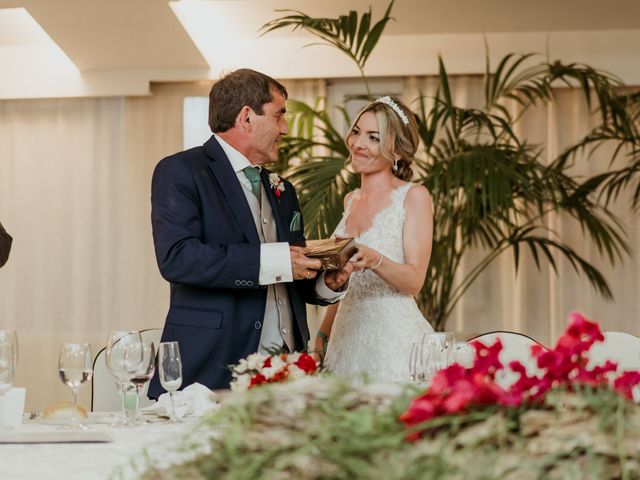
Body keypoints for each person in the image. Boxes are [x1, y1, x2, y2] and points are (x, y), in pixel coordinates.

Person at [148, 69, 353, 397]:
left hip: (287, 370)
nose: (285, 129)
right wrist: (275, 260)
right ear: (246, 117)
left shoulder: (282, 189)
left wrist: (325, 285)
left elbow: (291, 272)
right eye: (279, 115)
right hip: (211, 365)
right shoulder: (182, 171)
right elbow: (178, 258)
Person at [314, 96, 434, 382]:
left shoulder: (414, 197)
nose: (358, 144)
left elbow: (414, 281)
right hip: (345, 338)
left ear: (398, 151)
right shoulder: (349, 200)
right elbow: (341, 282)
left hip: (394, 342)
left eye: (373, 137)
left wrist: (375, 259)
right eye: (356, 132)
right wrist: (323, 333)